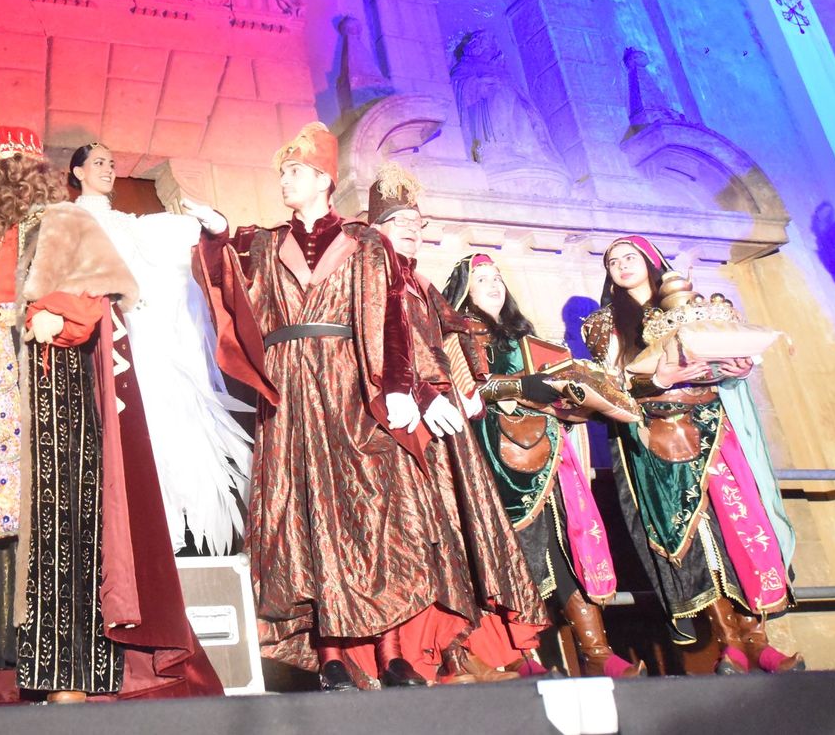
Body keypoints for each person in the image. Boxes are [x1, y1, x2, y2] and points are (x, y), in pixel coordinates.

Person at [189, 128, 545, 690]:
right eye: (282, 173)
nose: (285, 180)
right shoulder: (262, 243)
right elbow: (228, 291)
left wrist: (401, 385)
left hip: (352, 384)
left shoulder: (363, 242)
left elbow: (387, 317)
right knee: (307, 514)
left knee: (379, 513)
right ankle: (331, 653)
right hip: (292, 397)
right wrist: (214, 238)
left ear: (325, 179)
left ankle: (395, 652)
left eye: (295, 172)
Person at [0, 127, 221, 706]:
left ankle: (65, 673)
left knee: (57, 523)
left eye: (18, 164)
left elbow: (93, 290)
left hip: (50, 381)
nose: (8, 176)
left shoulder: (66, 222)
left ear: (37, 170)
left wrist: (60, 313)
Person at [583, 235, 801, 674]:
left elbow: (715, 364)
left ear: (649, 261)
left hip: (712, 429)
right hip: (657, 439)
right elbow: (610, 389)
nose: (622, 265)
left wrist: (734, 371)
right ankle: (729, 644)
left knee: (739, 527)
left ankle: (760, 641)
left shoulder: (689, 304)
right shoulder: (604, 324)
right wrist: (658, 378)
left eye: (630, 257)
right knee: (693, 540)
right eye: (613, 261)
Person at [442, 253, 639, 678]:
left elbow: (558, 397)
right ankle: (519, 657)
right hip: (494, 458)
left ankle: (597, 651)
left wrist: (580, 398)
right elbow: (467, 394)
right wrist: (522, 386)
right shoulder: (456, 338)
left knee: (564, 549)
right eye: (481, 281)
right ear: (463, 293)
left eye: (497, 278)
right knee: (508, 557)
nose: (493, 286)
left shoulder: (528, 340)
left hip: (550, 457)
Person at [67, 142, 252, 556]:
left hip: (143, 334)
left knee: (170, 417)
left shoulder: (128, 223)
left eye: (112, 164)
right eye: (98, 163)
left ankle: (184, 528)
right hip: (100, 336)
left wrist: (209, 223)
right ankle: (138, 534)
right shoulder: (70, 221)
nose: (109, 169)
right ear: (77, 172)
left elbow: (180, 242)